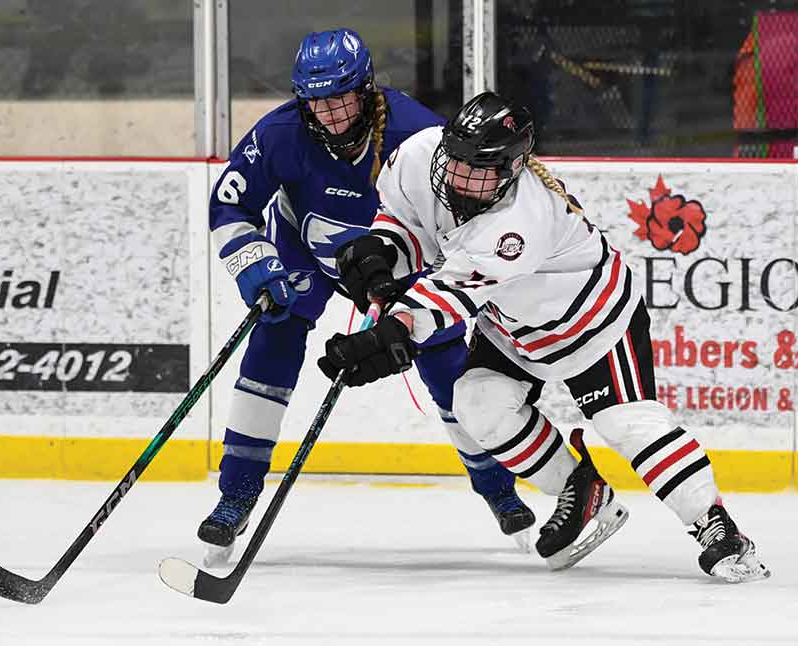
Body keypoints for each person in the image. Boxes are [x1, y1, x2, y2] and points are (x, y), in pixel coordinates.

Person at [318, 90, 770, 582]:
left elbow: (448, 296)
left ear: (512, 169)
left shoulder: (521, 221)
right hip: (512, 322)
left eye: (478, 169)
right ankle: (582, 489)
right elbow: (407, 222)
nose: (458, 177)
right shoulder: (424, 155)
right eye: (456, 160)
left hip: (591, 321)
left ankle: (717, 526)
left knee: (626, 424)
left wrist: (393, 333)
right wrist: (380, 255)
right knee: (475, 403)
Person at [202, 29, 534, 565]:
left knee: (446, 360)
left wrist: (430, 288)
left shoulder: (419, 134)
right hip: (304, 256)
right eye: (317, 101)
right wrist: (253, 264)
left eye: (340, 98)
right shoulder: (281, 133)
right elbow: (229, 204)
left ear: (366, 89)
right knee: (273, 343)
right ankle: (235, 496)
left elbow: (459, 219)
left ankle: (499, 491)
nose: (330, 114)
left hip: (398, 264)